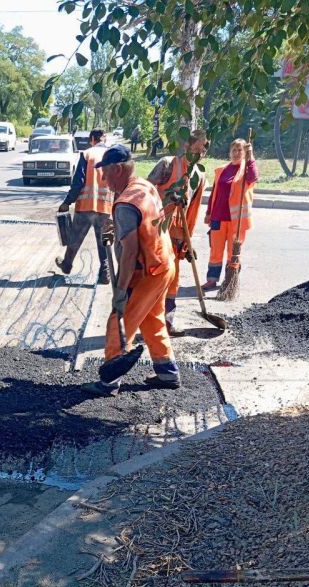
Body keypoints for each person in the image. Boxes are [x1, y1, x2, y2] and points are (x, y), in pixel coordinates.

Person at [83, 144, 180, 396]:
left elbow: (129, 254)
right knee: (152, 319)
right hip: (164, 264)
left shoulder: (126, 203)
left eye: (105, 172)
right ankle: (167, 372)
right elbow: (143, 225)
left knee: (119, 321)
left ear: (117, 169)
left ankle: (109, 382)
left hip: (148, 271)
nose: (103, 179)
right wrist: (115, 229)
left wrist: (121, 291)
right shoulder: (144, 187)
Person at [147, 129, 209, 335]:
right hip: (156, 230)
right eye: (196, 149)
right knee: (154, 277)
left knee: (173, 280)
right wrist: (169, 198)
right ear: (186, 147)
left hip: (176, 236)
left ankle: (167, 321)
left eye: (202, 150)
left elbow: (192, 212)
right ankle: (145, 322)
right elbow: (144, 191)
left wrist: (187, 243)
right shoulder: (167, 164)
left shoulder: (199, 176)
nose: (199, 154)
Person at [56, 129, 114, 285]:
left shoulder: (87, 154)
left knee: (75, 237)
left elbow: (78, 182)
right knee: (105, 241)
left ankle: (67, 265)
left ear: (92, 139)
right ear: (104, 139)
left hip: (85, 206)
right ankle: (105, 273)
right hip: (106, 207)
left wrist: (67, 202)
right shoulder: (112, 155)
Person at [202, 138, 258, 290]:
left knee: (232, 252)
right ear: (229, 152)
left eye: (240, 150)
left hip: (237, 220)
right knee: (215, 250)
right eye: (234, 150)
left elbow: (254, 178)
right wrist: (208, 213)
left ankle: (229, 280)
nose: (236, 153)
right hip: (218, 217)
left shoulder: (246, 170)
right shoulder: (221, 170)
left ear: (245, 152)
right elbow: (215, 192)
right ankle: (212, 279)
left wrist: (251, 158)